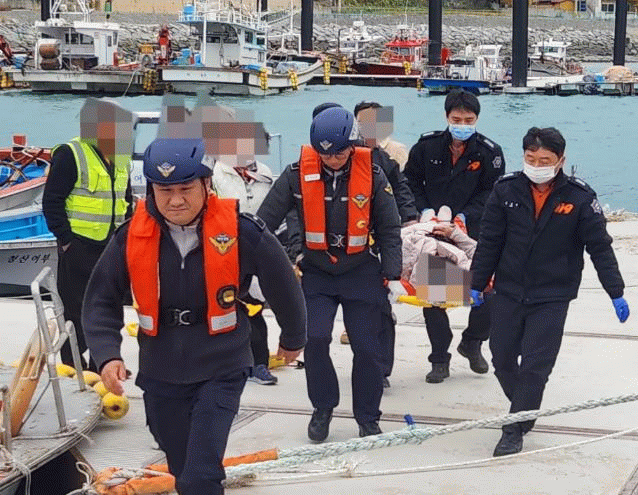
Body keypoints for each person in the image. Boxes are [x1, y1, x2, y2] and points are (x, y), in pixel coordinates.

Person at [82, 138, 306, 495]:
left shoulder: (243, 231)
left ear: (206, 184)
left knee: (201, 474)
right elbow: (100, 299)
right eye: (164, 190)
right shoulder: (130, 237)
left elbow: (283, 285)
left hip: (222, 365)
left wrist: (293, 338)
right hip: (160, 368)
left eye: (185, 189)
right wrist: (107, 354)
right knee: (181, 467)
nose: (175, 200)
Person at [470, 127, 629, 457]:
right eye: (531, 158)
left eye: (545, 160)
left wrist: (615, 291)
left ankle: (514, 428)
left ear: (561, 161)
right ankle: (526, 409)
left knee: (535, 365)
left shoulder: (579, 197)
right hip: (509, 290)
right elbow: (489, 240)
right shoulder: (505, 189)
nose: (537, 165)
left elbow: (599, 247)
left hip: (552, 294)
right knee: (502, 359)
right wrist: (476, 282)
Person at [257, 107, 403, 442]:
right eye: (324, 154)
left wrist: (392, 274)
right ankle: (322, 407)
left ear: (352, 145)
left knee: (367, 347)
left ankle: (368, 417)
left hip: (361, 270)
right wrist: (261, 265)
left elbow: (390, 227)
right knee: (316, 339)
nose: (332, 160)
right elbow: (264, 222)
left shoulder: (374, 175)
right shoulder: (296, 174)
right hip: (317, 271)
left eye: (338, 153)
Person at [311, 102, 417, 388]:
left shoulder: (380, 160)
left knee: (379, 312)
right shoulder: (308, 166)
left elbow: (400, 192)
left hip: (369, 248)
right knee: (320, 328)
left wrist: (410, 219)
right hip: (323, 254)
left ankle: (380, 369)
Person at [403, 89, 505, 384]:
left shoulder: (490, 153)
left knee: (489, 294)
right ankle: (439, 358)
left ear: (477, 119)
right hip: (432, 229)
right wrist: (424, 212)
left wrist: (463, 218)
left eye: (468, 120)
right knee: (434, 295)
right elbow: (409, 182)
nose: (462, 124)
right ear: (447, 117)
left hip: (472, 230)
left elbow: (493, 193)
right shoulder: (426, 147)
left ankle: (472, 341)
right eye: (457, 119)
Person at [43, 98, 135, 372]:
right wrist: (66, 241)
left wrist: (127, 236)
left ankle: (102, 364)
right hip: (79, 246)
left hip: (112, 246)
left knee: (109, 307)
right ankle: (73, 364)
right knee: (75, 310)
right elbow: (52, 201)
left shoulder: (120, 157)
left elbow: (126, 200)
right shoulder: (71, 154)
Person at [211, 119, 278, 386]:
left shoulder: (265, 174)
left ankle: (259, 363)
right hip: (221, 251)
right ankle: (220, 363)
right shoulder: (215, 173)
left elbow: (276, 212)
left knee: (255, 308)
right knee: (221, 307)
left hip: (257, 251)